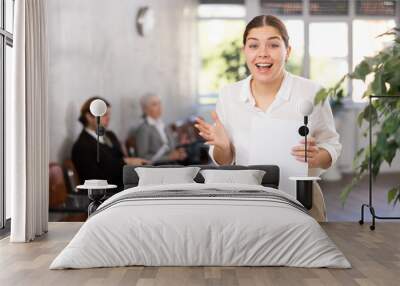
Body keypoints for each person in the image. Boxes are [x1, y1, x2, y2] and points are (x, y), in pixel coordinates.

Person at [195, 15, 342, 222]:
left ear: (287, 51)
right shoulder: (229, 95)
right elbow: (224, 160)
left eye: (273, 45)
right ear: (244, 51)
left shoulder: (312, 92)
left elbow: (332, 145)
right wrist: (223, 146)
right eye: (254, 45)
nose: (262, 54)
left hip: (302, 200)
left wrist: (317, 156)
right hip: (245, 201)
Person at [72, 97, 148, 190]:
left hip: (123, 185)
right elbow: (94, 178)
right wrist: (126, 162)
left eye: (109, 114)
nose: (108, 118)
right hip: (107, 193)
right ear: (89, 116)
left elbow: (120, 158)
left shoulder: (110, 135)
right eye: (104, 114)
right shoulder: (82, 145)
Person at [135, 94, 187, 164]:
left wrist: (179, 150)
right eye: (154, 104)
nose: (159, 107)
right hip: (157, 168)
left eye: (159, 103)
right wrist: (169, 157)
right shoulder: (143, 128)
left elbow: (170, 146)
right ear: (145, 109)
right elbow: (143, 158)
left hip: (172, 164)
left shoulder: (163, 124)